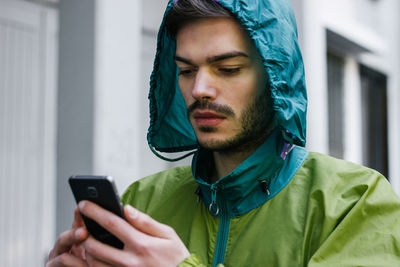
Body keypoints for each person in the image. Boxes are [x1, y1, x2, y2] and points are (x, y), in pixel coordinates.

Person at [47, 0, 400, 266]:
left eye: (227, 68)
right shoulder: (144, 202)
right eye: (186, 70)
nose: (200, 88)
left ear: (276, 78)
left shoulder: (354, 204)